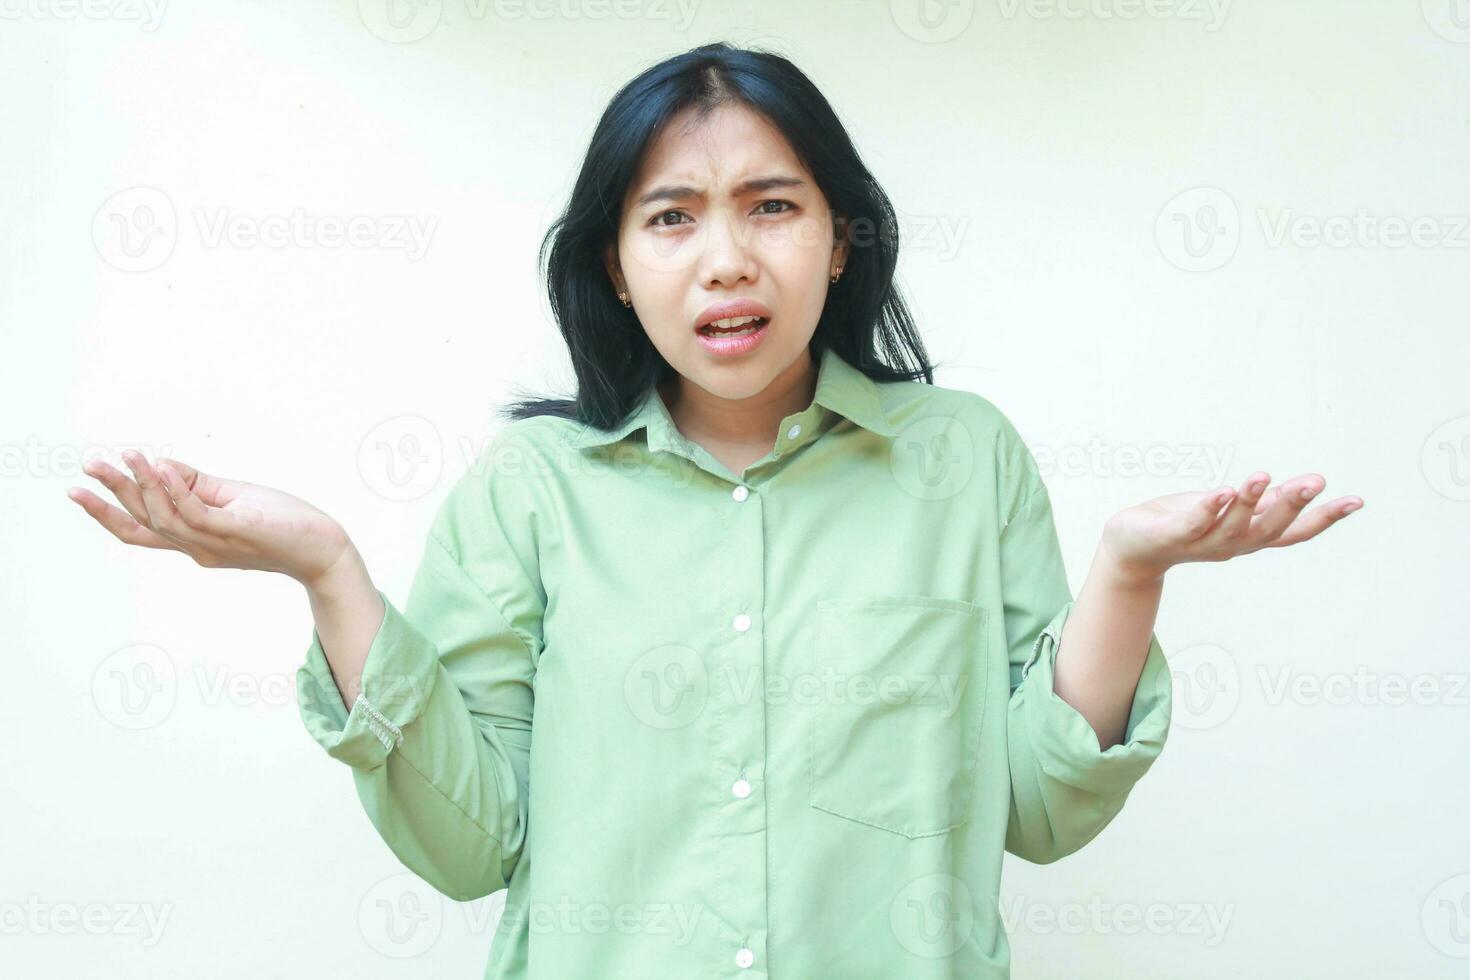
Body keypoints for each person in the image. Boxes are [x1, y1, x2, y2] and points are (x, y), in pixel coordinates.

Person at [68, 40, 1363, 980]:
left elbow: (1036, 808)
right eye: (671, 217)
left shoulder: (961, 462)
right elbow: (473, 850)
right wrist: (328, 571)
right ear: (617, 272)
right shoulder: (529, 495)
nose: (726, 258)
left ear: (839, 239)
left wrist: (1130, 573)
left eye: (772, 207)